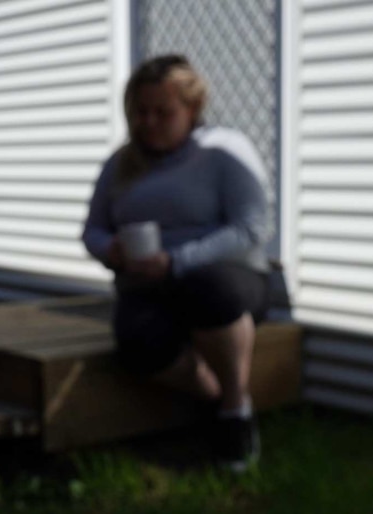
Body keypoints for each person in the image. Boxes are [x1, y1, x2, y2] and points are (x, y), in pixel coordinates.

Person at [81, 55, 272, 472]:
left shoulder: (223, 152)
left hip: (227, 275)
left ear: (192, 109)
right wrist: (109, 249)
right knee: (136, 342)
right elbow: (92, 229)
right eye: (140, 112)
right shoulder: (120, 164)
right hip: (146, 283)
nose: (149, 122)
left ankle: (237, 410)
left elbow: (251, 227)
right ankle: (218, 403)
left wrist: (179, 261)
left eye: (162, 112)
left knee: (209, 292)